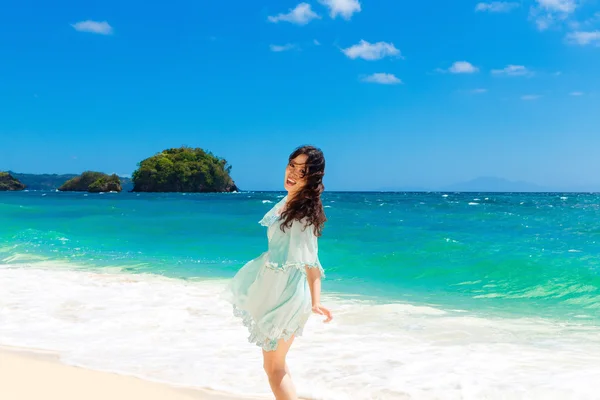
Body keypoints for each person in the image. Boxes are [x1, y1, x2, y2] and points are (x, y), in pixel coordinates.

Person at [225, 145, 333, 400]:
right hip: (275, 287)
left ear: (313, 177)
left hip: (285, 293)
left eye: (302, 170)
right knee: (275, 365)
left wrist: (316, 302)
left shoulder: (303, 214)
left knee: (274, 367)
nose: (293, 173)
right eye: (291, 165)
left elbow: (311, 261)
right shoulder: (290, 203)